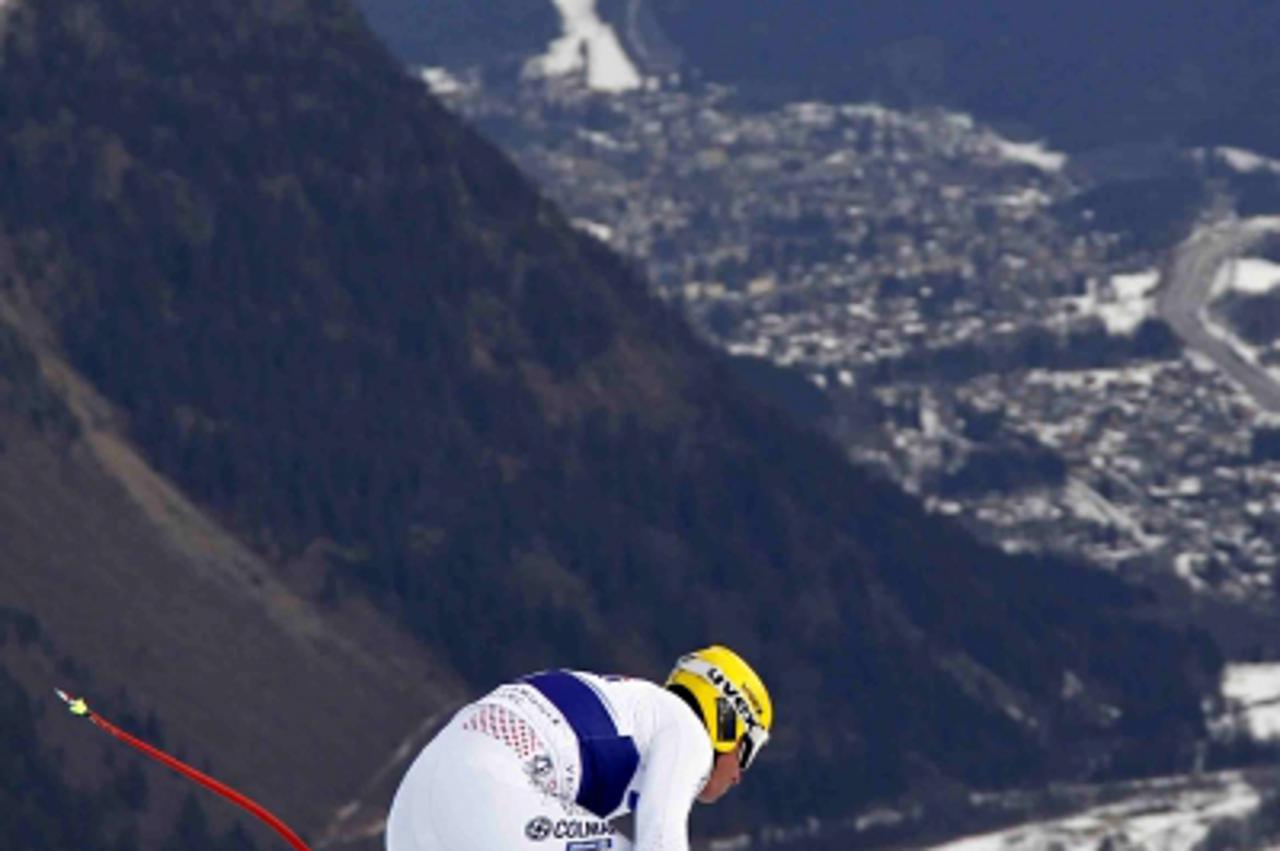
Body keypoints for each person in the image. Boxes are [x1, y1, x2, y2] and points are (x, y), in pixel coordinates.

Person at [385, 645, 773, 851]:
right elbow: (660, 841)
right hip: (488, 794)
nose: (739, 774)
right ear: (728, 722)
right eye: (747, 752)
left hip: (412, 810)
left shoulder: (634, 705)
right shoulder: (686, 731)